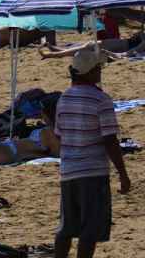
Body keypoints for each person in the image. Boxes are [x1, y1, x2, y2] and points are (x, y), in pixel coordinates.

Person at [54, 48, 131, 258]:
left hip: (68, 171)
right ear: (89, 72)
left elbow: (59, 134)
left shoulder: (64, 98)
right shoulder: (101, 99)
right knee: (90, 229)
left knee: (67, 227)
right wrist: (122, 174)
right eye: (98, 67)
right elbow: (110, 140)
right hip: (93, 172)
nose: (100, 70)